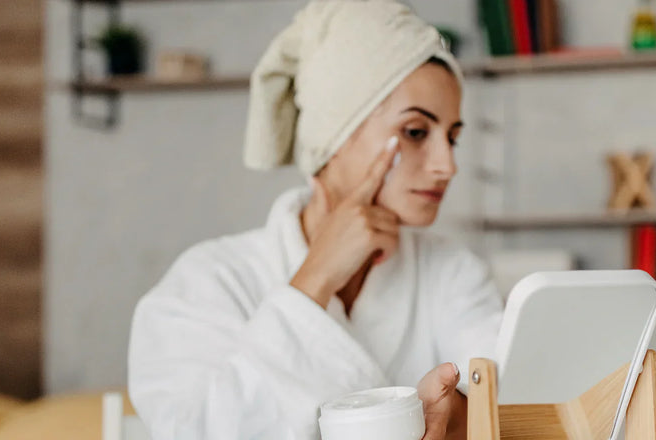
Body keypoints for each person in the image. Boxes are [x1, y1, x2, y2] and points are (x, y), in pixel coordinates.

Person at [127, 1, 503, 439]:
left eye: (453, 138)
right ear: (333, 138)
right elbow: (193, 431)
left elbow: (512, 393)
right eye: (416, 132)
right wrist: (314, 280)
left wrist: (460, 418)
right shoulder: (207, 281)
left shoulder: (453, 273)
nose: (447, 165)